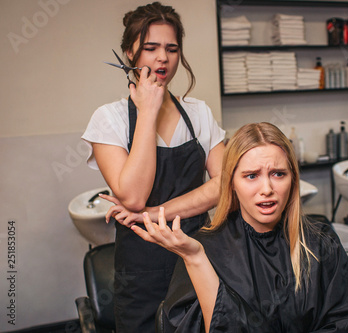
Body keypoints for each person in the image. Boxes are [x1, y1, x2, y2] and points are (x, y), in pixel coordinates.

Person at [133, 122, 348, 332]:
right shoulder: (206, 249)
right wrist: (196, 259)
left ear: (293, 179)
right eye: (251, 176)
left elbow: (344, 321)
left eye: (278, 174)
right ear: (232, 183)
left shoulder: (320, 242)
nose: (267, 188)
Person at [81, 3, 225, 332]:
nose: (163, 58)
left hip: (196, 260)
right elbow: (132, 196)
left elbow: (224, 183)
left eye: (172, 49)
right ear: (130, 51)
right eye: (151, 48)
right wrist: (148, 109)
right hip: (139, 276)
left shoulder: (199, 113)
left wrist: (155, 211)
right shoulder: (109, 119)